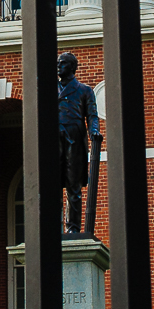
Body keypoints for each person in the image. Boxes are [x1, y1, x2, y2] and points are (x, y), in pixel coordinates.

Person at [55, 51, 100, 234]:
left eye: (63, 63)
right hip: (55, 137)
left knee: (73, 186)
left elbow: (92, 115)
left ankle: (72, 227)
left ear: (72, 67)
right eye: (58, 63)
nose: (59, 67)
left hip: (74, 137)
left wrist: (94, 131)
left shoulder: (84, 90)